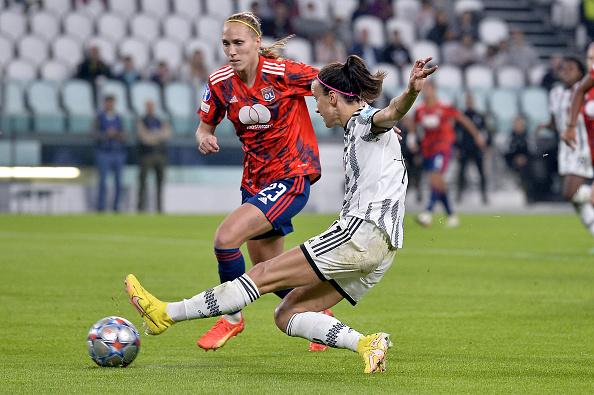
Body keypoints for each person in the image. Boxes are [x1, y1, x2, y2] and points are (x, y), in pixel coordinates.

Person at [124, 54, 437, 374]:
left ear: (333, 98)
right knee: (286, 314)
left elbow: (393, 111)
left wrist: (411, 92)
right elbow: (387, 118)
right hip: (384, 249)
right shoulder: (366, 126)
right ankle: (366, 344)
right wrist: (391, 117)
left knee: (260, 275)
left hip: (360, 233)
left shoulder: (363, 120)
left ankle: (166, 313)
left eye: (317, 100)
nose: (315, 108)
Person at [194, 12, 326, 352]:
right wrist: (204, 136)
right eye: (226, 43)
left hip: (293, 174)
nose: (232, 50)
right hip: (255, 182)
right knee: (269, 273)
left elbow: (332, 84)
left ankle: (231, 319)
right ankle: (322, 315)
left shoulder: (283, 73)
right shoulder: (220, 83)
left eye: (238, 43)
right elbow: (205, 125)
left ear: (256, 43)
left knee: (225, 240)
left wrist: (374, 119)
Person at [410, 81, 484, 228]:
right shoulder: (420, 109)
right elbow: (414, 124)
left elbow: (463, 120)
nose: (426, 92)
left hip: (442, 147)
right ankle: (451, 215)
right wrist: (412, 139)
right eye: (425, 89)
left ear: (435, 90)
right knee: (438, 183)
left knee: (435, 177)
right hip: (428, 149)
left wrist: (477, 135)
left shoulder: (443, 107)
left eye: (429, 89)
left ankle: (427, 213)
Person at [558, 50, 594, 236]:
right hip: (573, 149)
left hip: (582, 150)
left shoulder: (584, 90)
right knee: (575, 198)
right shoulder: (558, 93)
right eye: (590, 58)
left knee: (572, 193)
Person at [137, 100, 171, 213]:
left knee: (160, 183)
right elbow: (144, 138)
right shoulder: (142, 120)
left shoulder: (159, 120)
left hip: (159, 155)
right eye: (148, 106)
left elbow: (167, 134)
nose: (150, 108)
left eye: (152, 106)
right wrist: (158, 135)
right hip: (146, 155)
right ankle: (141, 208)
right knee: (142, 183)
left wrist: (152, 136)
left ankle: (159, 208)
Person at [455, 92, 489, 204]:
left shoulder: (479, 116)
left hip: (476, 149)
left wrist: (486, 145)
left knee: (481, 172)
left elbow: (485, 132)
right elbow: (456, 133)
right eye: (467, 101)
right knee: (461, 172)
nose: (469, 103)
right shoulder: (461, 116)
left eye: (471, 101)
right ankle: (459, 195)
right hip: (465, 148)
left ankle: (484, 195)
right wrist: (458, 148)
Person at [94, 95, 126, 212]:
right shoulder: (100, 117)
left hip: (118, 152)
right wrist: (106, 134)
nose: (110, 105)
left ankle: (116, 206)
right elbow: (94, 134)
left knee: (119, 182)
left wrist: (117, 134)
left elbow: (124, 134)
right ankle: (101, 207)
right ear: (105, 104)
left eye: (112, 103)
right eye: (108, 103)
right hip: (104, 152)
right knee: (102, 182)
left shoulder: (118, 117)